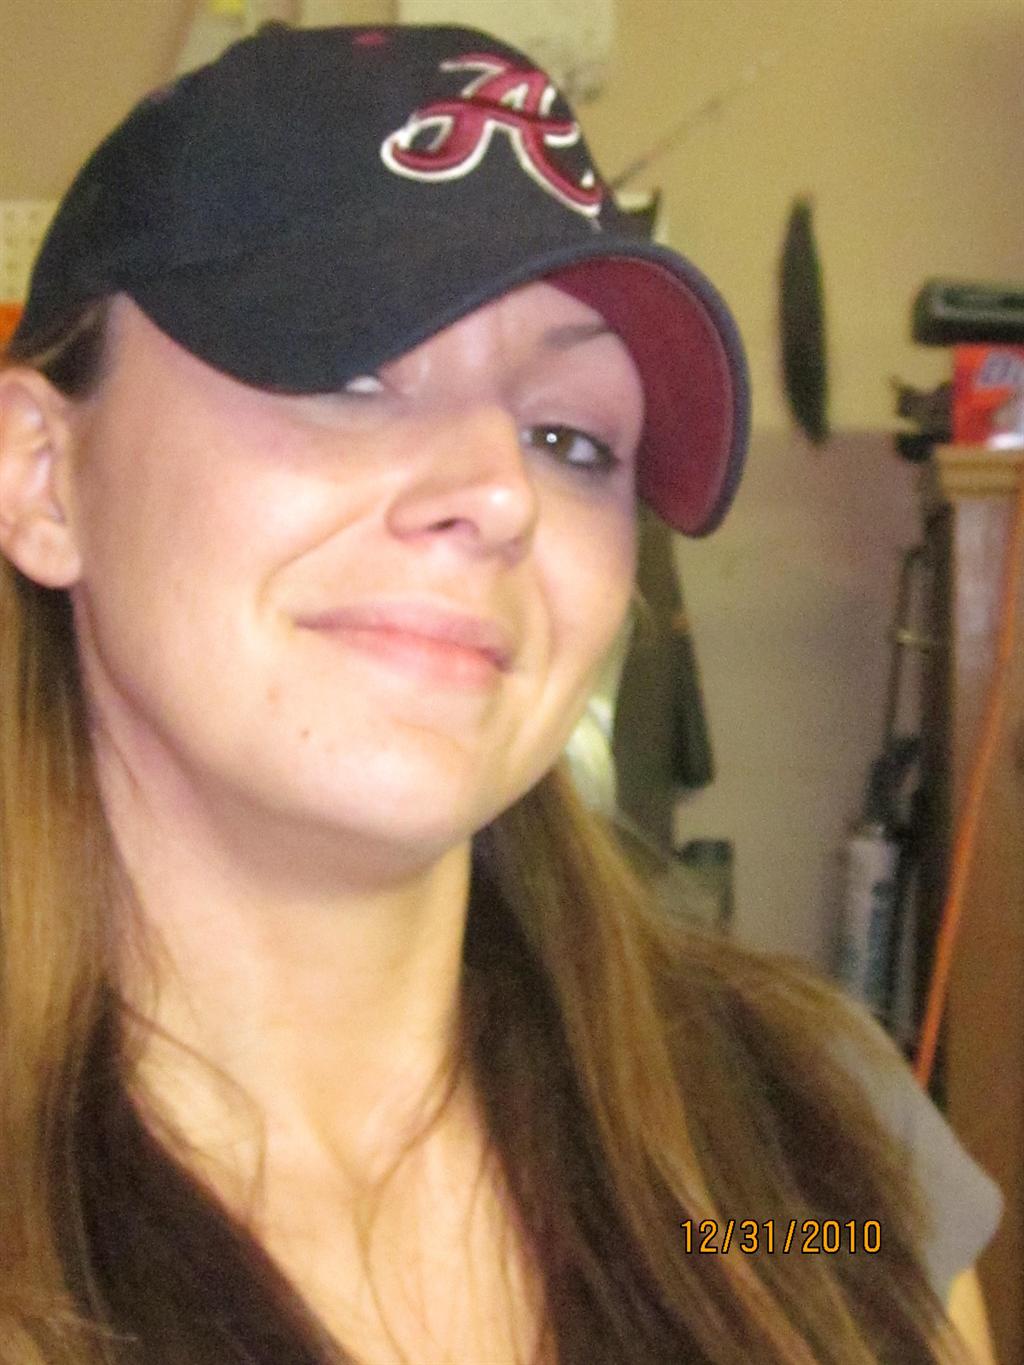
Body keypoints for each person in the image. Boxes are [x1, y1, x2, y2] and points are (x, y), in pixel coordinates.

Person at [0, 22, 1000, 1365]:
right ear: (43, 475)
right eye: (350, 372)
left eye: (568, 436)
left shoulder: (808, 1156)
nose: (499, 492)